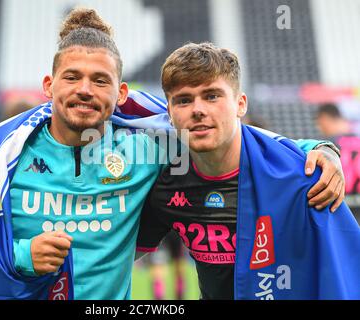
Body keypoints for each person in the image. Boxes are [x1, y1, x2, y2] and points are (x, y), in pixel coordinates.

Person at [0, 8, 347, 300]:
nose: (84, 89)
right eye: (72, 77)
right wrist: (22, 256)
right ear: (49, 86)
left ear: (120, 94)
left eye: (100, 80)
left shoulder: (150, 145)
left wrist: (322, 150)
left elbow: (239, 140)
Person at [136, 42, 360, 299]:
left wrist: (328, 150)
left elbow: (344, 273)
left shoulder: (304, 179)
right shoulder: (168, 183)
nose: (198, 109)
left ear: (240, 104)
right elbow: (119, 254)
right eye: (184, 100)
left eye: (212, 96)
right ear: (170, 112)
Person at [316, 103, 360, 221]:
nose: (320, 128)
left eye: (320, 124)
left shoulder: (326, 145)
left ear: (325, 119)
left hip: (338, 209)